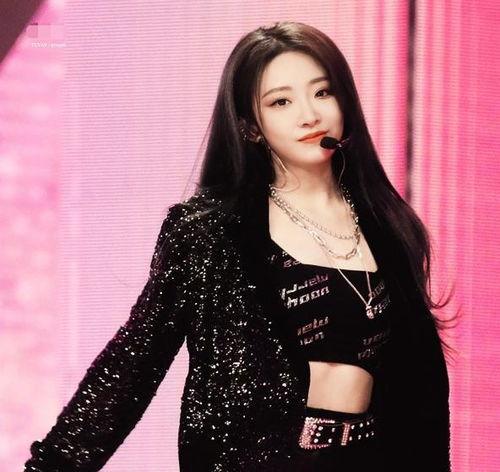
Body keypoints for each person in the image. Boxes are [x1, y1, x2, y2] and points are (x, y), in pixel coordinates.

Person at [24, 21, 457, 472]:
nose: (309, 115)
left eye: (322, 92)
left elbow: (421, 388)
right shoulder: (209, 233)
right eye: (281, 101)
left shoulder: (389, 224)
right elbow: (131, 366)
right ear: (251, 127)